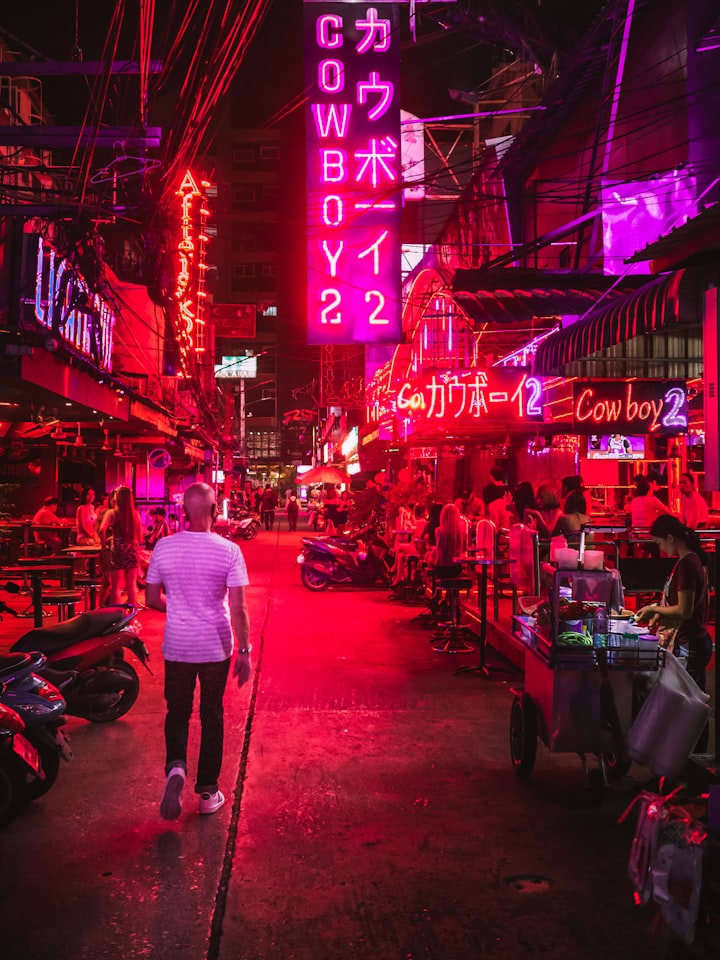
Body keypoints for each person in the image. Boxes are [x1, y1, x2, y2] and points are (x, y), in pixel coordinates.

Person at [145, 482, 252, 820]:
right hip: (215, 647)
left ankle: (176, 768)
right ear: (214, 509)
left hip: (178, 645)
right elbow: (238, 608)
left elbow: (150, 599)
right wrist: (245, 650)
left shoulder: (163, 547)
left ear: (184, 511)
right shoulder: (229, 551)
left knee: (177, 713)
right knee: (211, 715)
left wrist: (176, 609)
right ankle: (208, 791)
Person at [635, 515, 713, 752]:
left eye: (659, 543)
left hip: (691, 644)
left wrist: (653, 609)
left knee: (691, 707)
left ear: (670, 538)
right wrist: (660, 615)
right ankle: (690, 761)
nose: (660, 549)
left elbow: (684, 610)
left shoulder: (688, 564)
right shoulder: (690, 560)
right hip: (693, 641)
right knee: (691, 704)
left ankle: (692, 763)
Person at [99, 485, 143, 605]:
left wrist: (104, 546)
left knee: (116, 586)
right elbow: (139, 536)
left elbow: (101, 529)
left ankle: (116, 616)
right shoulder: (135, 514)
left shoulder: (112, 512)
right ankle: (133, 618)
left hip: (118, 551)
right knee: (132, 586)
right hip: (132, 550)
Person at [429, 503, 467, 579]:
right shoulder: (462, 534)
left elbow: (438, 550)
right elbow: (464, 551)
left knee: (428, 556)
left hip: (440, 569)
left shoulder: (437, 531)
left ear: (442, 517)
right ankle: (454, 590)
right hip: (456, 569)